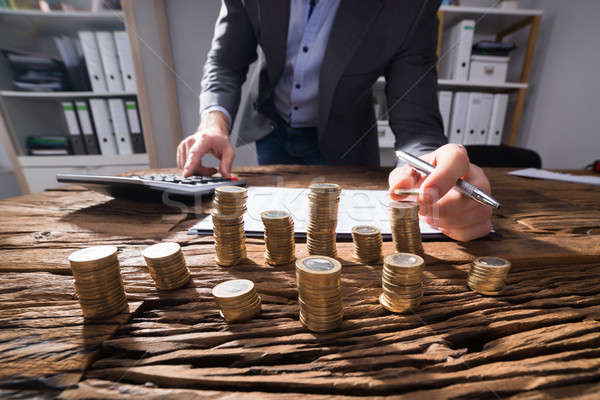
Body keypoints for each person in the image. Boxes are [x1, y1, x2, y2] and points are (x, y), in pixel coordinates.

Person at [176, 0, 492, 241]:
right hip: (271, 129)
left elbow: (416, 119)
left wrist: (431, 166)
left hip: (347, 141)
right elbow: (226, 60)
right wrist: (213, 123)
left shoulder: (410, 6)